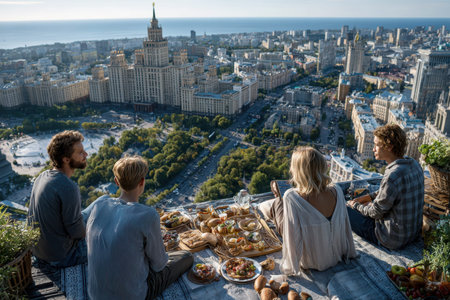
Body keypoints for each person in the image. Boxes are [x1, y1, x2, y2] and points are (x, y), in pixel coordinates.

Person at [83, 156, 193, 300]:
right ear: (142, 182)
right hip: (132, 296)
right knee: (186, 257)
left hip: (95, 294)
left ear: (116, 182)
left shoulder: (98, 206)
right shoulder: (148, 215)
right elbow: (159, 266)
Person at [280, 147, 356, 275]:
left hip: (313, 263)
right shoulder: (336, 190)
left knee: (276, 206)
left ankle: (275, 198)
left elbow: (292, 238)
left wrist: (290, 267)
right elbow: (345, 226)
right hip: (336, 256)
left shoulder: (292, 196)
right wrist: (350, 251)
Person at [347, 124, 424, 250]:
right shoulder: (414, 164)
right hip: (412, 234)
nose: (373, 149)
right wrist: (367, 198)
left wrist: (354, 205)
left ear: (389, 146)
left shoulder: (392, 176)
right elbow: (390, 192)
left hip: (391, 239)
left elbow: (374, 213)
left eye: (377, 145)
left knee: (343, 210)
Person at [27, 130, 88, 267]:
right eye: (80, 153)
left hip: (38, 251)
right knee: (107, 240)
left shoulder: (42, 176)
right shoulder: (68, 187)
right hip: (61, 257)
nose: (86, 155)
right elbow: (78, 233)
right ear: (66, 159)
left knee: (98, 204)